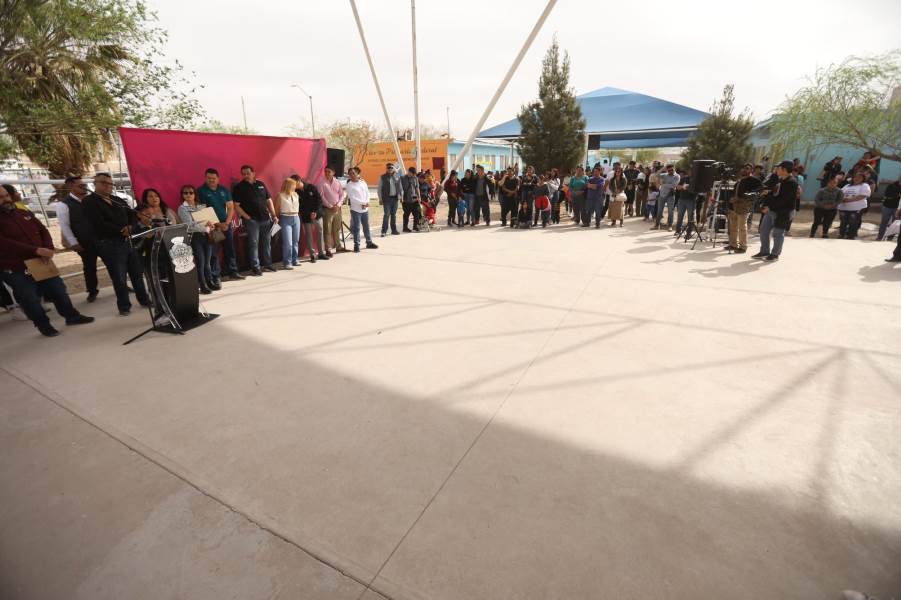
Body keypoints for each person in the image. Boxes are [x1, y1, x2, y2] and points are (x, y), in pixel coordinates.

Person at [0, 185, 94, 337]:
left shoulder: (22, 212)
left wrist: (48, 248)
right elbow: (4, 243)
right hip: (17, 267)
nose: (5, 199)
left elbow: (42, 229)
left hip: (42, 260)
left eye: (6, 195)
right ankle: (44, 326)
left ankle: (72, 316)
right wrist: (35, 250)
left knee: (58, 289)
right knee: (29, 298)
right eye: (1, 198)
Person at [82, 172, 151, 315]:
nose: (108, 186)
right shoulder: (89, 201)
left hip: (127, 241)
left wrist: (131, 227)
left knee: (136, 273)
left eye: (110, 183)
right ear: (95, 184)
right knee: (119, 277)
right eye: (103, 183)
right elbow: (98, 223)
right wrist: (121, 230)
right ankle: (124, 306)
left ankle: (144, 300)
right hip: (109, 244)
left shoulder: (117, 200)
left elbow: (132, 215)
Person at [56, 176, 101, 302]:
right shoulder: (63, 205)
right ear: (71, 187)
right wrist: (73, 242)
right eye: (80, 186)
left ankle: (122, 285)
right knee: (89, 267)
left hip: (100, 239)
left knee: (112, 264)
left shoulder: (90, 200)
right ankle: (92, 291)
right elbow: (65, 226)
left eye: (84, 185)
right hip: (84, 242)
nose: (84, 187)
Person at [197, 168, 244, 283]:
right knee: (214, 251)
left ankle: (233, 272)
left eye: (213, 178)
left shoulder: (224, 190)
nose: (211, 180)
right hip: (213, 227)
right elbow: (203, 211)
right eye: (209, 178)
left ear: (218, 179)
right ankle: (216, 276)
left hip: (226, 225)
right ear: (205, 178)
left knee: (230, 248)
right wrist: (218, 224)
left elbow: (231, 207)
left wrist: (227, 223)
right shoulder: (201, 191)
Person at [232, 165, 277, 276]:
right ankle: (256, 267)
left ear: (253, 173)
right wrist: (246, 217)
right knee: (253, 244)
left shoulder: (261, 184)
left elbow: (269, 201)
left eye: (248, 173)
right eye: (243, 173)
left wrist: (273, 214)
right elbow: (236, 205)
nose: (246, 175)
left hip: (266, 219)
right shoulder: (239, 187)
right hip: (252, 221)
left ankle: (268, 264)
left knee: (267, 243)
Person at [753, 160, 798, 261]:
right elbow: (775, 195)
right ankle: (764, 251)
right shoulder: (780, 180)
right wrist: (766, 198)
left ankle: (775, 254)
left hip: (783, 212)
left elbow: (784, 200)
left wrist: (770, 207)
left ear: (784, 170)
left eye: (779, 167)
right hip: (771, 210)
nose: (776, 169)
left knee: (777, 234)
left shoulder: (791, 182)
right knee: (764, 231)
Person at [177, 184, 215, 294]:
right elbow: (189, 225)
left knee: (207, 261)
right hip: (195, 237)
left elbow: (208, 220)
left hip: (207, 235)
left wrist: (210, 224)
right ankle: (202, 285)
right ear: (182, 195)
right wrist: (205, 227)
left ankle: (209, 281)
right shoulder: (182, 208)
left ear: (195, 194)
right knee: (200, 261)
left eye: (191, 192)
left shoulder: (201, 206)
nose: (188, 195)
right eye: (185, 193)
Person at [726, 164, 762, 253]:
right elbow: (734, 192)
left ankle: (743, 246)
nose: (744, 170)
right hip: (734, 206)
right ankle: (733, 244)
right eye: (743, 168)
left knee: (742, 227)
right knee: (733, 226)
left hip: (744, 206)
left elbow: (759, 190)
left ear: (751, 170)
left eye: (747, 168)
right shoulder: (739, 181)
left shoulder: (754, 180)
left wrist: (746, 196)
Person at [296, 175, 328, 262]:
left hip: (317, 215)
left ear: (299, 181)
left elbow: (319, 201)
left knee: (320, 233)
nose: (294, 185)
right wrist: (306, 213)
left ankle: (321, 253)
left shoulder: (311, 187)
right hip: (306, 217)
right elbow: (299, 206)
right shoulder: (296, 191)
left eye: (295, 183)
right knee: (309, 235)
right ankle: (312, 255)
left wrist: (315, 212)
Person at [345, 168, 378, 252]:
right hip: (356, 210)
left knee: (366, 227)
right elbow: (352, 198)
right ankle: (357, 245)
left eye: (353, 173)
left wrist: (367, 202)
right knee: (356, 228)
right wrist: (363, 203)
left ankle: (369, 242)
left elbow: (367, 193)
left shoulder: (363, 182)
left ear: (357, 174)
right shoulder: (349, 185)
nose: (352, 175)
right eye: (350, 174)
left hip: (365, 209)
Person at [317, 166, 345, 255]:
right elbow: (321, 197)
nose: (327, 173)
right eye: (326, 171)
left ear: (333, 172)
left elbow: (342, 194)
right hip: (327, 209)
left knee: (337, 229)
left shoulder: (337, 182)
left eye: (329, 171)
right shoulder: (321, 182)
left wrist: (338, 205)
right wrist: (330, 206)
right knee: (327, 230)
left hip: (337, 209)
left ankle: (338, 247)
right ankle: (328, 249)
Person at [273, 178, 300, 269]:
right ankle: (287, 262)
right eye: (294, 184)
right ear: (289, 185)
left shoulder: (296, 194)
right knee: (288, 242)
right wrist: (276, 218)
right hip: (285, 218)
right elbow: (276, 209)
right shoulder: (280, 196)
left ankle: (294, 259)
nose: (295, 186)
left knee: (295, 241)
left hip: (296, 218)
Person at [837, 171, 871, 240]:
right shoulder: (847, 186)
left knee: (853, 222)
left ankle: (851, 236)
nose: (857, 178)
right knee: (843, 222)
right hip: (843, 208)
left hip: (856, 208)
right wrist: (842, 199)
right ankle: (841, 235)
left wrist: (849, 200)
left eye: (859, 177)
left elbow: (863, 196)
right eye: (855, 176)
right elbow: (840, 194)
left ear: (863, 179)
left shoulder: (864, 185)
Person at [377, 163, 401, 237]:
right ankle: (384, 231)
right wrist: (380, 199)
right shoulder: (382, 177)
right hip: (387, 199)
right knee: (386, 215)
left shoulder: (396, 176)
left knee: (393, 215)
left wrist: (400, 196)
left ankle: (394, 230)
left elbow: (400, 187)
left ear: (393, 168)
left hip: (395, 198)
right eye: (388, 168)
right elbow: (379, 189)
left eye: (391, 168)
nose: (390, 169)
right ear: (386, 169)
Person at [653, 164, 680, 230]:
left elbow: (673, 185)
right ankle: (657, 225)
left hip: (670, 196)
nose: (670, 171)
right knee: (659, 211)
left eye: (672, 170)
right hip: (662, 195)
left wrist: (663, 184)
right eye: (669, 170)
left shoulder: (677, 176)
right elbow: (656, 175)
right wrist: (663, 168)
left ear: (674, 169)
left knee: (670, 211)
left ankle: (670, 225)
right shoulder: (665, 174)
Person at [877, 174, 900, 241]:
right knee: (884, 223)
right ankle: (880, 237)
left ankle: (889, 239)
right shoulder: (892, 185)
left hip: (897, 208)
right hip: (887, 206)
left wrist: (896, 195)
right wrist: (898, 195)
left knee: (894, 224)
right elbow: (887, 194)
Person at [401, 166, 422, 232]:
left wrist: (419, 197)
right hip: (406, 199)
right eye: (412, 173)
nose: (413, 175)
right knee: (406, 214)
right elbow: (400, 189)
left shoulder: (415, 178)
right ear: (409, 172)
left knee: (417, 213)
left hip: (414, 198)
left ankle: (415, 227)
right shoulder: (402, 178)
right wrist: (401, 198)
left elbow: (417, 188)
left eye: (414, 174)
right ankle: (405, 228)